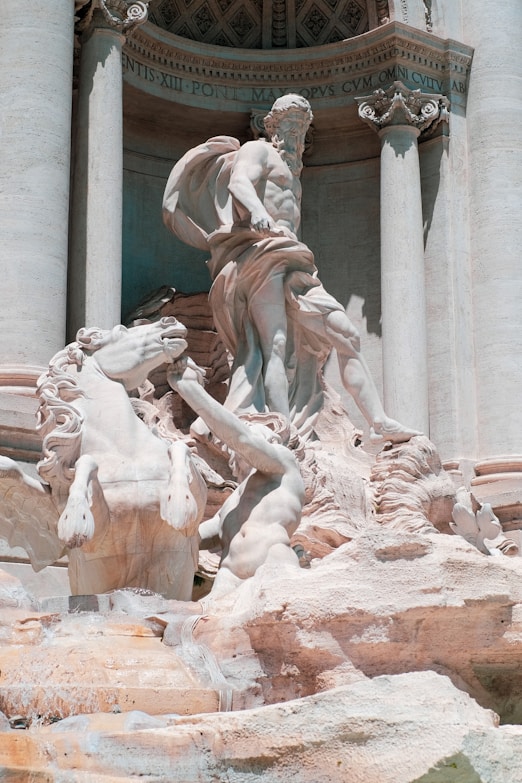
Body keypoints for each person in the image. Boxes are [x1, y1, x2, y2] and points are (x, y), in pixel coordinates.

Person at [163, 94, 419, 443]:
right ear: (273, 126)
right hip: (259, 253)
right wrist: (256, 211)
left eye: (301, 125)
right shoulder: (258, 151)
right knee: (276, 346)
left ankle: (378, 421)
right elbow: (239, 182)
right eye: (290, 123)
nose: (296, 131)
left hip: (294, 259)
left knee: (347, 334)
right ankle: (281, 432)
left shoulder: (294, 169)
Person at [167, 357, 304, 599]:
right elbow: (191, 537)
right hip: (227, 577)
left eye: (256, 434)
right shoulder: (230, 506)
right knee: (201, 625)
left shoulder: (283, 467)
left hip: (272, 562)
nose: (236, 445)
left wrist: (190, 389)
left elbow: (242, 440)